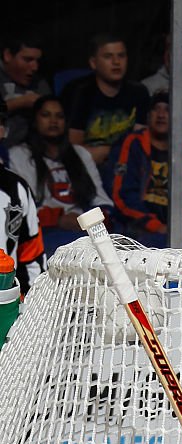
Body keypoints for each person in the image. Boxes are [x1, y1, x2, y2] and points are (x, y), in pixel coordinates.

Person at [9, 95, 112, 245]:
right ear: (35, 121)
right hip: (42, 234)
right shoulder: (18, 155)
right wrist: (58, 219)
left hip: (85, 232)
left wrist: (87, 222)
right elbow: (20, 208)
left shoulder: (81, 154)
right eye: (46, 115)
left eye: (59, 116)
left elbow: (102, 203)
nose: (53, 121)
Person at [110, 92, 182, 241]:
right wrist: (154, 225)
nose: (161, 114)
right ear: (148, 116)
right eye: (156, 109)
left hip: (179, 228)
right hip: (138, 226)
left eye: (168, 109)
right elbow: (122, 196)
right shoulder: (134, 143)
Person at [67, 33, 150, 184]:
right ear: (93, 63)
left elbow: (140, 143)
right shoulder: (79, 93)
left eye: (121, 56)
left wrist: (110, 152)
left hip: (127, 169)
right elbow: (73, 149)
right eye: (108, 56)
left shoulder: (139, 92)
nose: (116, 62)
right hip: (87, 172)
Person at [0, 98, 45, 294]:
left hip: (6, 310)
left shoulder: (17, 189)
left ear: (3, 130)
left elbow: (32, 258)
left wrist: (31, 308)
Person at [0, 32, 50, 148]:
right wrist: (19, 103)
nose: (35, 67)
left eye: (37, 61)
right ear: (7, 55)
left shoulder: (39, 83)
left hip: (28, 154)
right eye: (28, 60)